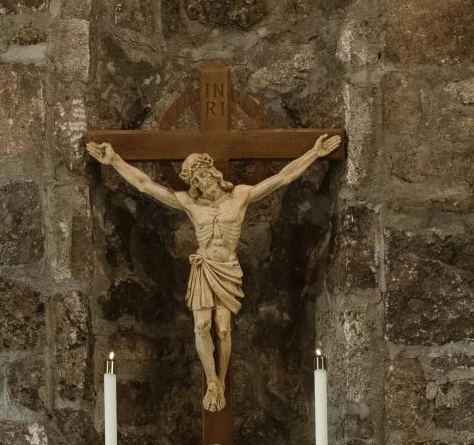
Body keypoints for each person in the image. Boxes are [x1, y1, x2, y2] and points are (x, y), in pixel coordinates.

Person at [85, 135, 341, 411]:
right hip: (205, 268)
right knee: (202, 326)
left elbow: (281, 178)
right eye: (197, 182)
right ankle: (212, 382)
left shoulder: (240, 196)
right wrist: (114, 160)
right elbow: (146, 185)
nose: (203, 184)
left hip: (228, 269)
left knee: (222, 327)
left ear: (215, 175)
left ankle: (220, 377)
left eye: (205, 178)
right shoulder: (191, 204)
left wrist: (314, 154)